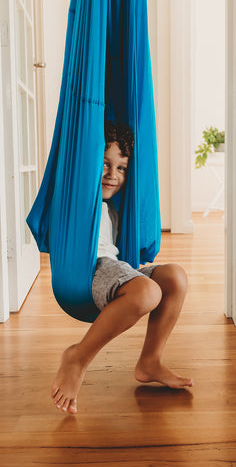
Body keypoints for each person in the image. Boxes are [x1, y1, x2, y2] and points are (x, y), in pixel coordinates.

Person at [51, 121, 193, 414]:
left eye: (121, 168)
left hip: (116, 269)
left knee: (175, 277)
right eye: (105, 164)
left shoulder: (115, 210)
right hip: (89, 272)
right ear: (89, 163)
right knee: (148, 293)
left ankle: (150, 361)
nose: (112, 175)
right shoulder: (79, 199)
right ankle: (77, 358)